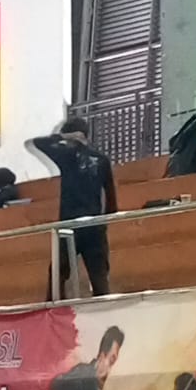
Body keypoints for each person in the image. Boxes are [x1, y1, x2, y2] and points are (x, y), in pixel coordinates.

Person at [28, 117, 118, 297]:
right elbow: (111, 199)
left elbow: (38, 142)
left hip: (68, 225)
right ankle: (105, 309)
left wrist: (62, 136)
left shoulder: (66, 156)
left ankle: (54, 310)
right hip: (94, 225)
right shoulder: (102, 159)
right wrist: (104, 223)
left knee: (58, 275)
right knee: (99, 276)